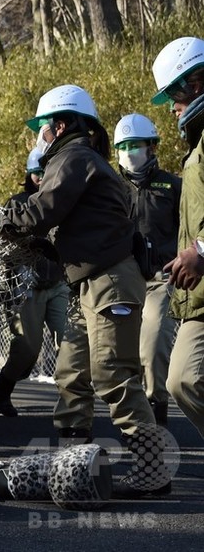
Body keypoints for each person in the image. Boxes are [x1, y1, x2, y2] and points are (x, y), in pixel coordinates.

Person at [0, 84, 169, 497]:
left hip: (110, 282)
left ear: (59, 126)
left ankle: (154, 471)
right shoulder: (79, 158)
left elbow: (42, 210)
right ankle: (75, 462)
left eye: (42, 127)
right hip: (87, 283)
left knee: (114, 374)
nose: (39, 136)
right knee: (72, 373)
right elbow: (65, 225)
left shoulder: (74, 157)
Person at [0, 148, 71, 417]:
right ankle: (2, 387)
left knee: (70, 342)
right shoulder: (16, 203)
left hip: (58, 283)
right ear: (28, 173)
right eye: (36, 173)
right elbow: (3, 245)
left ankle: (74, 403)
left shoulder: (61, 200)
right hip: (27, 288)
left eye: (44, 173)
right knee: (27, 349)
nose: (39, 178)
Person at [113, 113, 181, 426]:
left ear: (151, 147)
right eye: (123, 145)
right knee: (121, 355)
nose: (129, 151)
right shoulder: (110, 189)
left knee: (153, 344)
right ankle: (132, 418)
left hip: (160, 281)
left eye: (135, 144)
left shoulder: (173, 186)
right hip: (121, 281)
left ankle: (157, 409)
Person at [152, 36, 204, 441]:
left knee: (185, 377)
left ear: (198, 82)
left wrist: (200, 250)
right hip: (197, 294)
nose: (172, 107)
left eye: (174, 93)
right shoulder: (197, 146)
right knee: (182, 380)